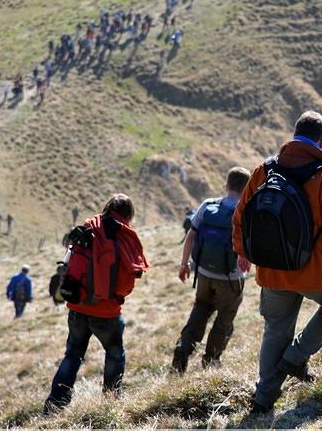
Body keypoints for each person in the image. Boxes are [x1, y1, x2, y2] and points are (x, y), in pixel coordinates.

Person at [232, 111, 322, 414]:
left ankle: (263, 399)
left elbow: (240, 216)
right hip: (313, 271)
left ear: (294, 135)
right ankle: (296, 355)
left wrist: (243, 253)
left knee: (275, 329)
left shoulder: (263, 170)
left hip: (271, 268)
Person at [44, 194, 150, 413]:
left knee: (73, 354)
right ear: (128, 214)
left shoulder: (88, 227)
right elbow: (126, 283)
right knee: (114, 353)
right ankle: (110, 401)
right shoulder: (123, 235)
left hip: (77, 305)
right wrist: (117, 296)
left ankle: (55, 403)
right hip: (107, 311)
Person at [172, 167, 251, 373]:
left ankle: (183, 348)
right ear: (247, 189)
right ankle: (211, 361)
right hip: (231, 277)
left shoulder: (208, 205)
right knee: (224, 318)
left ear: (226, 186)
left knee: (200, 309)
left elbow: (191, 235)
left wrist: (184, 264)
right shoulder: (245, 212)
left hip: (204, 273)